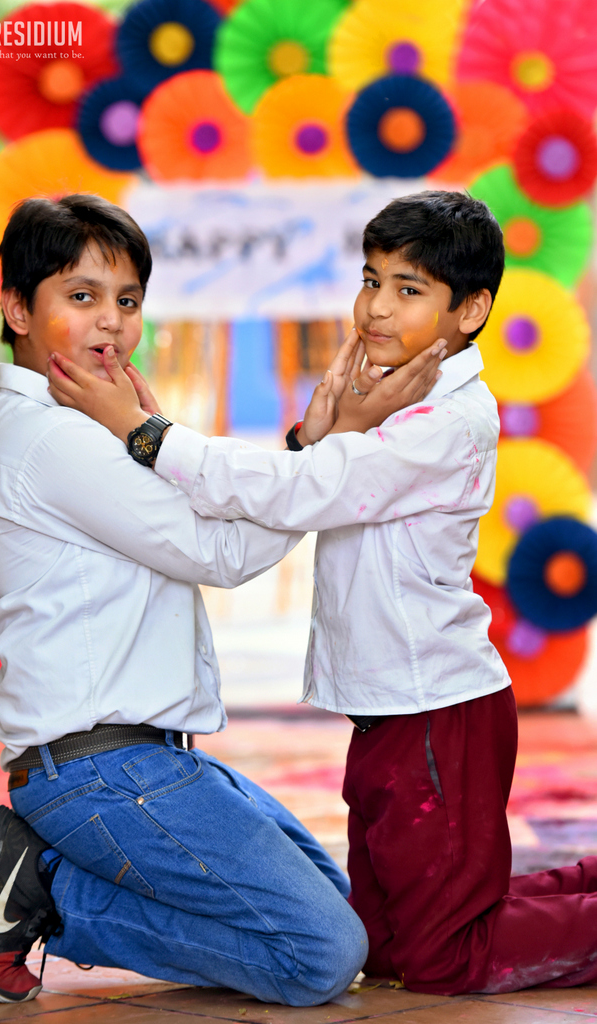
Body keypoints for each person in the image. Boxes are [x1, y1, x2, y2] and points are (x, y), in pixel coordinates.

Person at [49, 189, 597, 995]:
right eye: (370, 279)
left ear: (472, 309)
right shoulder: (393, 396)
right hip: (386, 714)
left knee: (444, 959)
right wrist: (320, 431)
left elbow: (300, 489)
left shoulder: (448, 422)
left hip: (437, 715)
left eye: (408, 290)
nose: (375, 308)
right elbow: (309, 474)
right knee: (382, 944)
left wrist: (146, 434)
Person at [0, 192, 445, 1006]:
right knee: (319, 955)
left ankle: (56, 869)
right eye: (80, 298)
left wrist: (308, 446)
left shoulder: (90, 422)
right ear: (14, 305)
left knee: (341, 910)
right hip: (100, 772)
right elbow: (219, 552)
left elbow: (210, 518)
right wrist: (340, 448)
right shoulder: (56, 438)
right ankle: (50, 893)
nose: (110, 324)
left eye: (126, 301)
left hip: (143, 762)